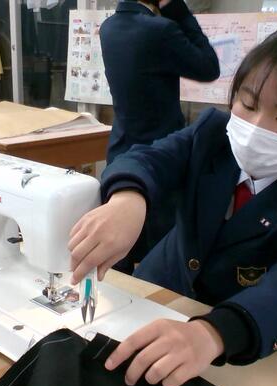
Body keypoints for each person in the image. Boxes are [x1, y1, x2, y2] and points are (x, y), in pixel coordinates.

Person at [68, 27, 277, 386]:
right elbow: (148, 159)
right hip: (157, 290)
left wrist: (215, 333)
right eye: (248, 104)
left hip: (240, 336)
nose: (255, 127)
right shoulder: (212, 134)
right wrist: (128, 199)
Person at [100, 0, 220, 274]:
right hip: (159, 155)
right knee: (159, 256)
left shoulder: (108, 28)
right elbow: (209, 67)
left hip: (121, 150)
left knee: (120, 248)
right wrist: (178, 10)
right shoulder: (161, 29)